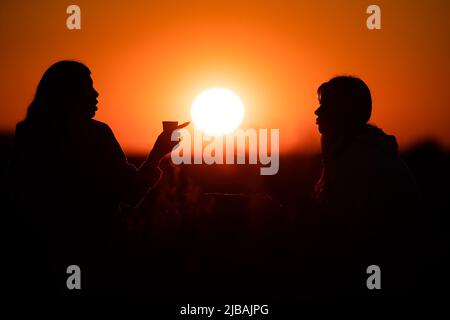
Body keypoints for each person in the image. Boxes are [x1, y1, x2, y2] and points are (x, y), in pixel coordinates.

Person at [10, 60, 188, 298]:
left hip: (41, 254)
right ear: (68, 93)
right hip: (95, 254)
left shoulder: (28, 134)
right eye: (87, 87)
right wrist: (157, 153)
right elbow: (130, 192)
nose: (96, 93)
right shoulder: (95, 134)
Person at [310, 76, 422, 298]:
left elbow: (350, 228)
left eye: (326, 106)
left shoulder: (363, 156)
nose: (317, 112)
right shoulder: (347, 148)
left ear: (344, 113)